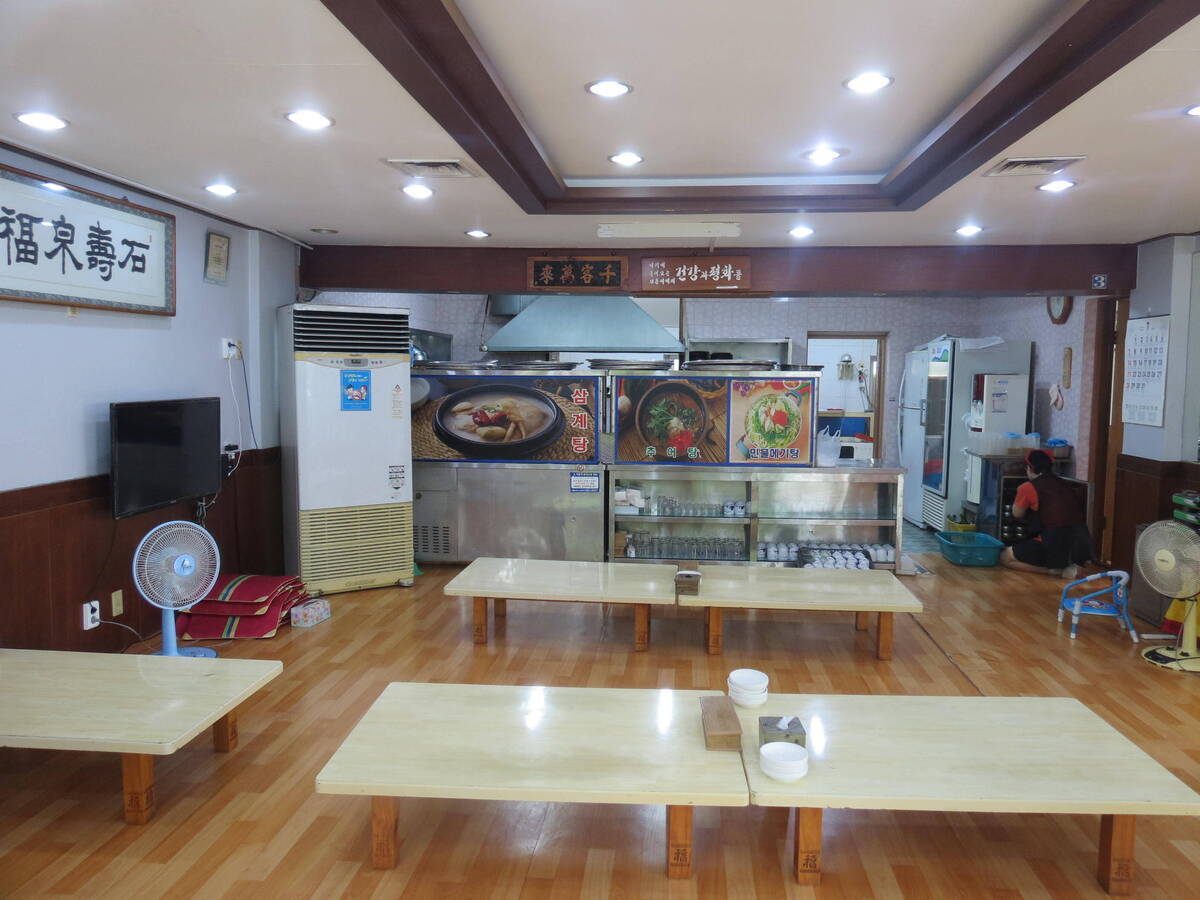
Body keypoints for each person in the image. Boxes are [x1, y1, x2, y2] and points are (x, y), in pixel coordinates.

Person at [999, 450, 1091, 580]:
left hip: (1053, 543)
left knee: (1005, 557)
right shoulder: (1065, 483)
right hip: (1081, 543)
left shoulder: (1027, 487)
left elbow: (1017, 514)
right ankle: (1071, 565)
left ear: (1030, 468)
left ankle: (1053, 571)